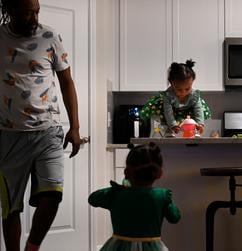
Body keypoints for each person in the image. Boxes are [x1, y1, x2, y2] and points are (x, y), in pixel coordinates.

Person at [0, 0, 81, 250]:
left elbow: (67, 82)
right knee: (10, 207)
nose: (34, 18)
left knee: (53, 195)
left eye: (36, 11)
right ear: (9, 9)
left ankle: (32, 247)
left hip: (48, 131)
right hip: (8, 135)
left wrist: (75, 127)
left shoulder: (49, 36)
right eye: (27, 13)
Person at [89, 142, 181, 251]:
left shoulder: (116, 194)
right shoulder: (162, 196)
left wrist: (116, 190)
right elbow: (175, 217)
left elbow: (93, 199)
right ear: (159, 173)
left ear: (126, 172)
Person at [140, 59, 211, 137]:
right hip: (171, 111)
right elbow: (168, 112)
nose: (183, 92)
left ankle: (195, 130)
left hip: (188, 110)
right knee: (163, 110)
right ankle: (169, 131)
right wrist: (173, 125)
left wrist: (200, 124)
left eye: (187, 89)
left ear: (192, 82)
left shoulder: (194, 95)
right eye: (179, 89)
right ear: (171, 83)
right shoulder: (168, 95)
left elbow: (198, 110)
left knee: (196, 112)